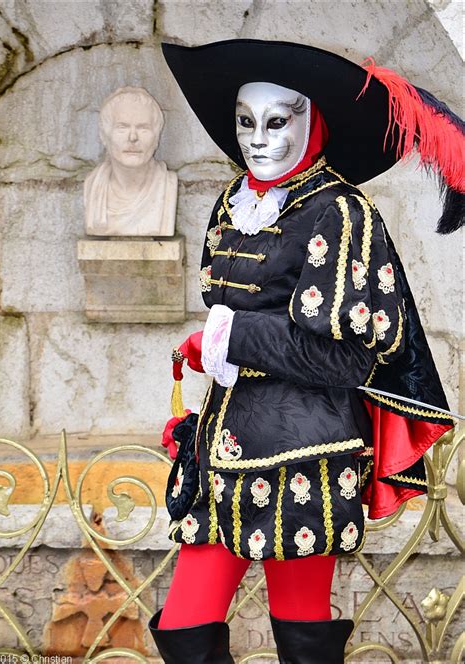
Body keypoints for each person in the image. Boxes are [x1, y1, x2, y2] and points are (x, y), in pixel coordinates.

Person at [149, 39, 463, 664]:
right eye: (244, 122)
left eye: (277, 120)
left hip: (307, 454)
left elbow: (345, 359)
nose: (257, 139)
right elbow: (237, 310)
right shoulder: (232, 202)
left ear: (313, 121)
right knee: (185, 629)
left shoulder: (342, 213)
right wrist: (213, 343)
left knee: (302, 633)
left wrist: (222, 337)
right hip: (221, 446)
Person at [84, 86, 177, 236]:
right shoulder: (92, 186)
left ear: (156, 136)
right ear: (104, 135)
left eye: (143, 128)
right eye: (122, 127)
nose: (133, 137)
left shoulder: (167, 185)